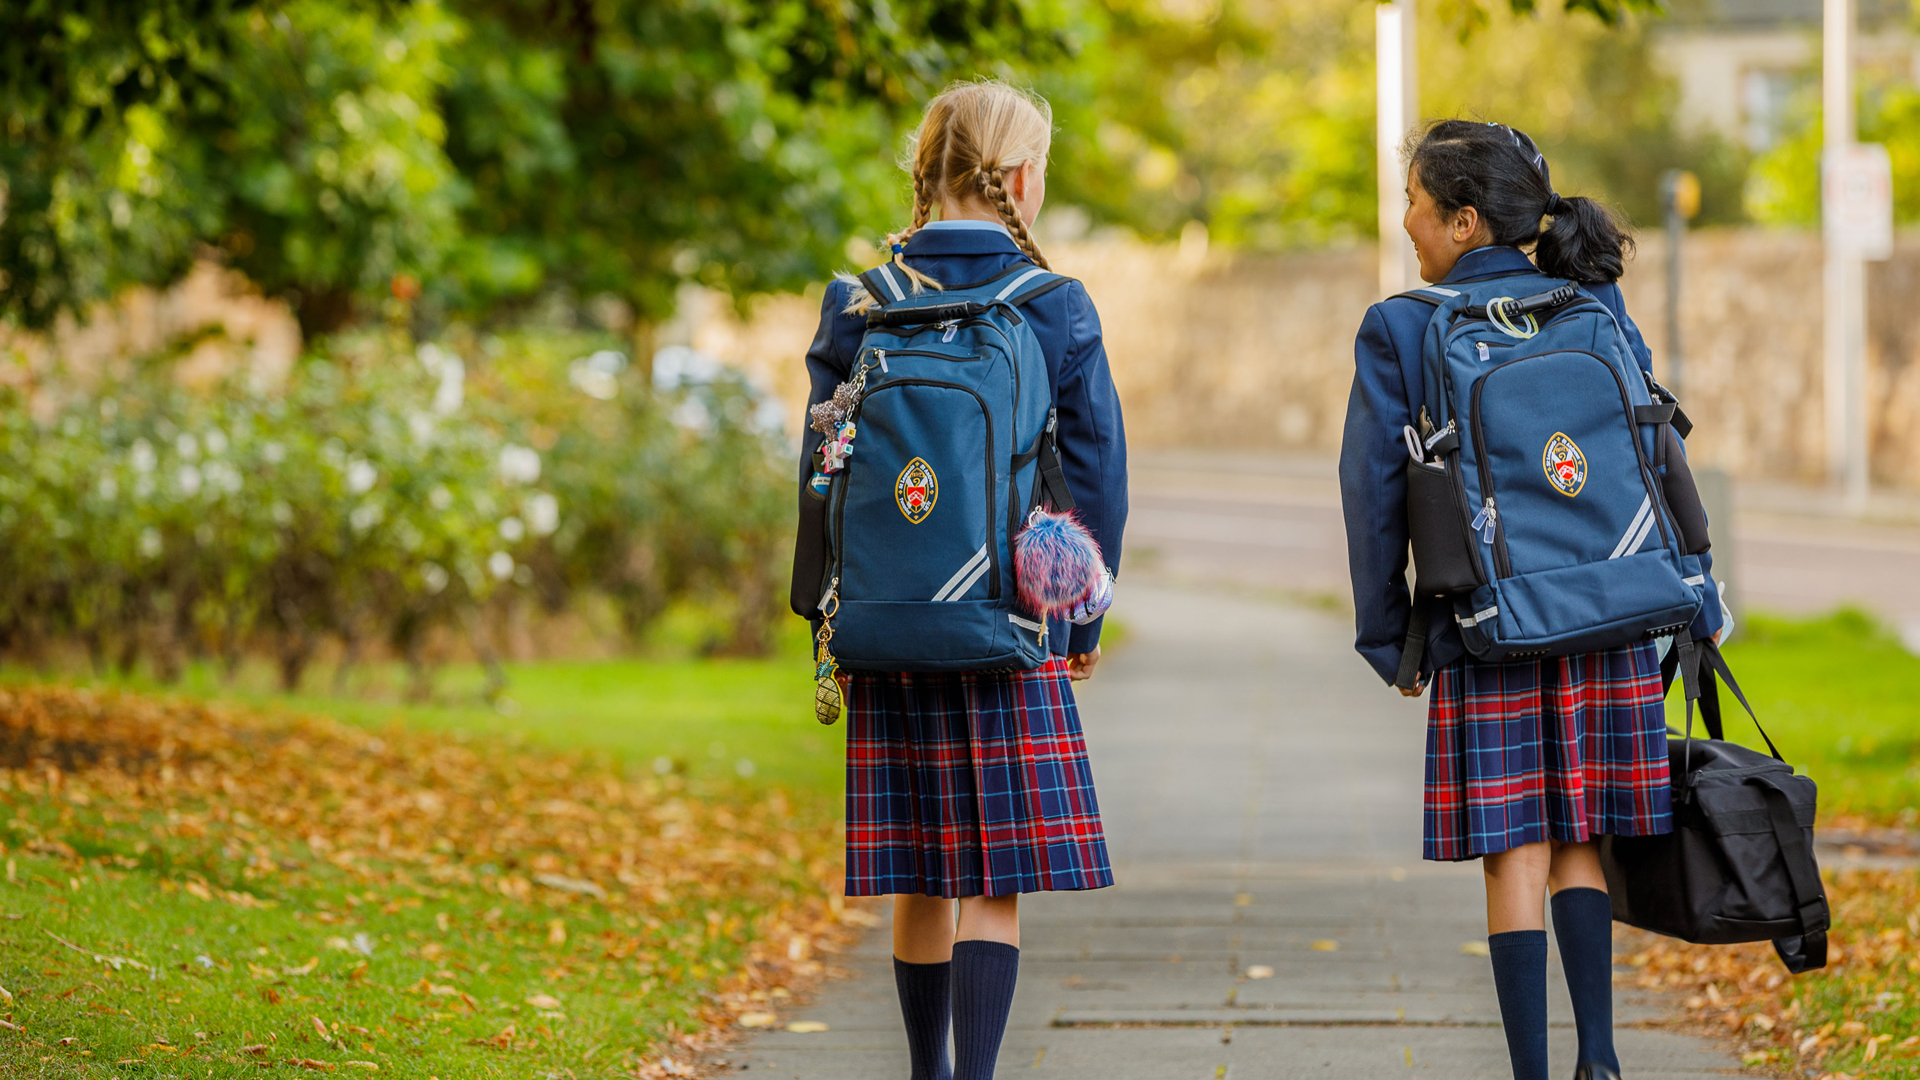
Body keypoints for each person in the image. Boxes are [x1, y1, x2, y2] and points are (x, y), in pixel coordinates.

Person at [1338, 120, 1724, 1080]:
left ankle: (1533, 1073)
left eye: (1418, 208)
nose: (1408, 225)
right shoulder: (1592, 299)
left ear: (1465, 221)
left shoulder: (1403, 324)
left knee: (1513, 848)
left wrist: (1391, 635)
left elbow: (1372, 497)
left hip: (1488, 623)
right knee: (1580, 839)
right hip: (1615, 606)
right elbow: (1658, 444)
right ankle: (1600, 1055)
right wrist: (1696, 587)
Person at [798, 79, 1128, 1080]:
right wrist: (1077, 624)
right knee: (993, 880)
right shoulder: (1053, 306)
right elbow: (1100, 478)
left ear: (924, 172)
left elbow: (820, 469)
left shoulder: (859, 302)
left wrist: (824, 612)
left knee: (918, 868)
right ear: (1023, 180)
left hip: (889, 616)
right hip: (1013, 621)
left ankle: (925, 1072)